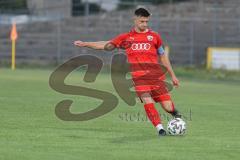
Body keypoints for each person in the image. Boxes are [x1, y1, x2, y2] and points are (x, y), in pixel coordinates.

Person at [74, 7, 181, 136]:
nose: (145, 24)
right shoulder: (126, 38)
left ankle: (177, 116)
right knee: (147, 100)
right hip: (139, 78)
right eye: (142, 21)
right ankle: (160, 129)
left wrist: (173, 75)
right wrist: (86, 44)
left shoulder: (154, 37)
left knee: (168, 107)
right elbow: (105, 45)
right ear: (135, 20)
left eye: (147, 21)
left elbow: (163, 56)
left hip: (156, 77)